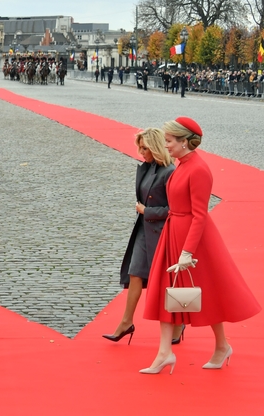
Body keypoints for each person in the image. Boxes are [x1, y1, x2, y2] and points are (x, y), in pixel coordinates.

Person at [140, 117, 261, 374]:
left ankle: (221, 346)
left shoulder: (198, 169)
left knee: (206, 293)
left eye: (170, 141)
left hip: (192, 239)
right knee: (166, 291)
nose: (166, 145)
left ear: (184, 142)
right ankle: (164, 352)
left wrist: (187, 252)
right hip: (173, 232)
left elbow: (200, 214)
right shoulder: (182, 164)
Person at [102, 128, 174, 344]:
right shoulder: (148, 167)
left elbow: (176, 208)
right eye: (139, 147)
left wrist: (147, 211)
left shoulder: (169, 171)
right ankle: (126, 322)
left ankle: (178, 324)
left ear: (155, 147)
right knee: (135, 273)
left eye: (144, 148)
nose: (141, 152)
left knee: (165, 282)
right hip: (144, 229)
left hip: (161, 233)